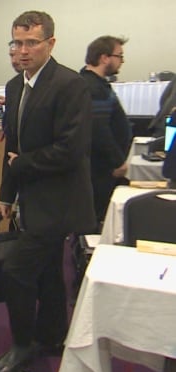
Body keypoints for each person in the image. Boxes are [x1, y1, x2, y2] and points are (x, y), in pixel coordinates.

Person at [0, 11, 95, 372]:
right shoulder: (16, 85)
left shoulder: (70, 85)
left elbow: (72, 150)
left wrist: (22, 165)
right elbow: (12, 148)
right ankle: (52, 335)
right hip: (31, 200)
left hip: (60, 202)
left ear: (50, 42)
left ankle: (22, 345)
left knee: (17, 272)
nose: (22, 50)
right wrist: (6, 195)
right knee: (49, 272)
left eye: (31, 42)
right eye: (16, 42)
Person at [80, 35, 132, 229]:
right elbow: (98, 130)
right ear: (104, 58)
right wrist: (117, 161)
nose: (122, 61)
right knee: (98, 221)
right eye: (119, 56)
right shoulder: (92, 87)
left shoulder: (95, 83)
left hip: (101, 168)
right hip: (101, 170)